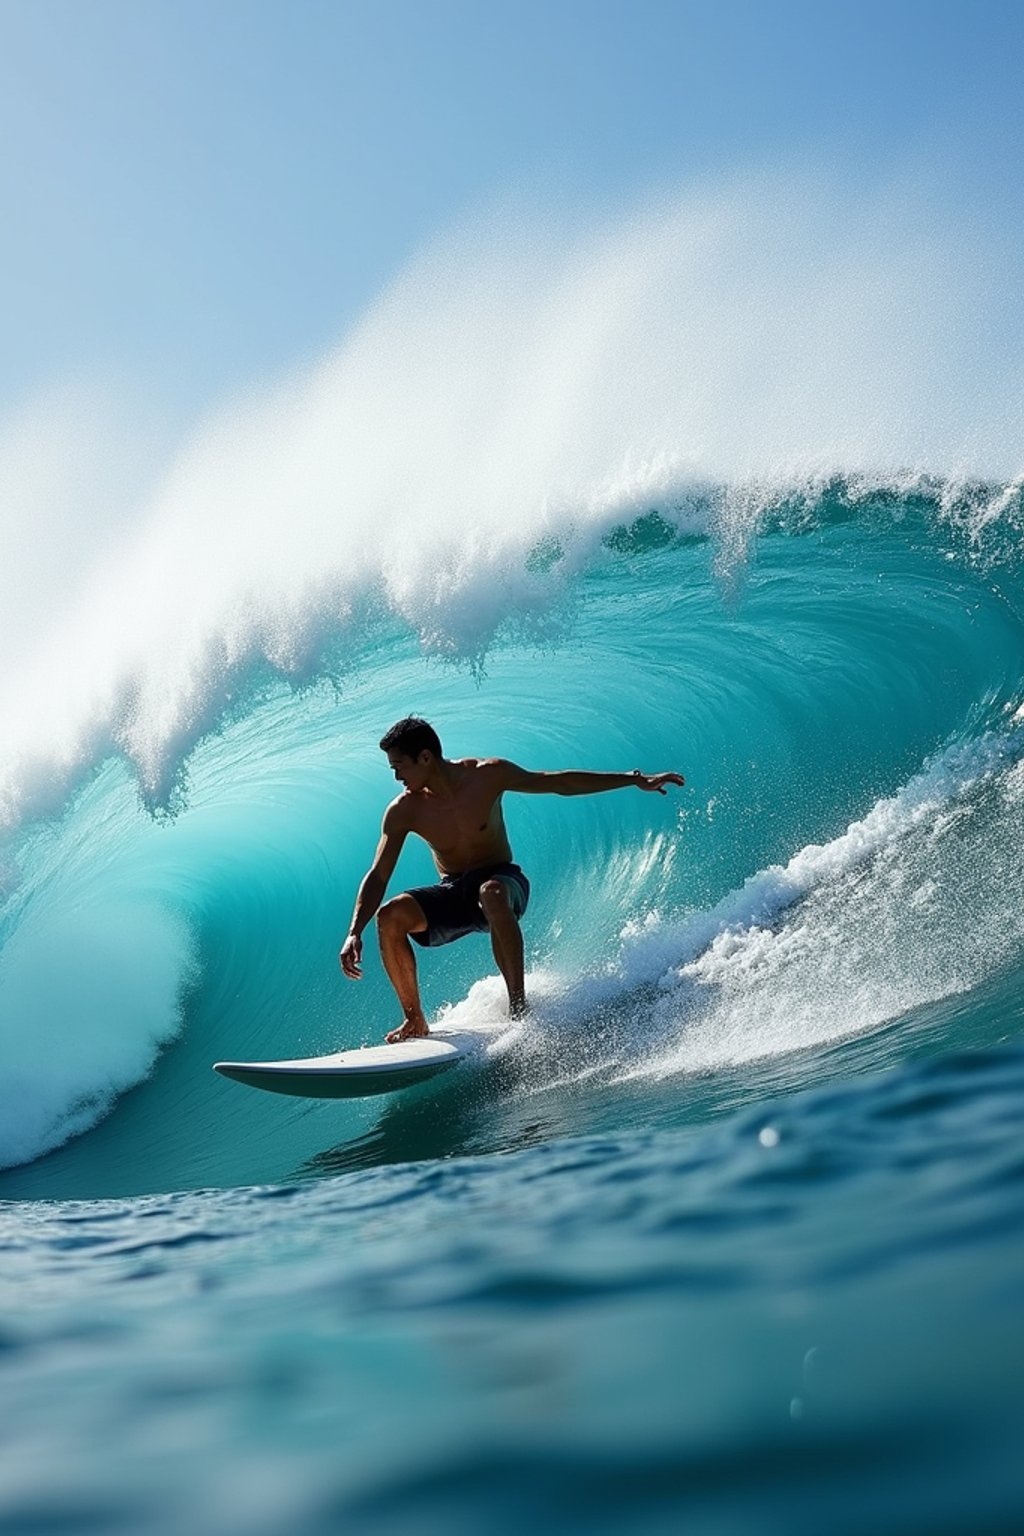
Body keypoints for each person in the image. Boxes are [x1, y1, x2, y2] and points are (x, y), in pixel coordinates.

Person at [339, 717, 685, 1042]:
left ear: (425, 757)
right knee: (390, 915)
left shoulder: (487, 776)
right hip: (455, 892)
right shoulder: (404, 810)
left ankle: (519, 1010)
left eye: (399, 766)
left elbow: (558, 782)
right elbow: (379, 874)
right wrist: (355, 931)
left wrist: (632, 778)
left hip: (503, 883)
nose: (397, 777)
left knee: (490, 892)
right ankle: (415, 1019)